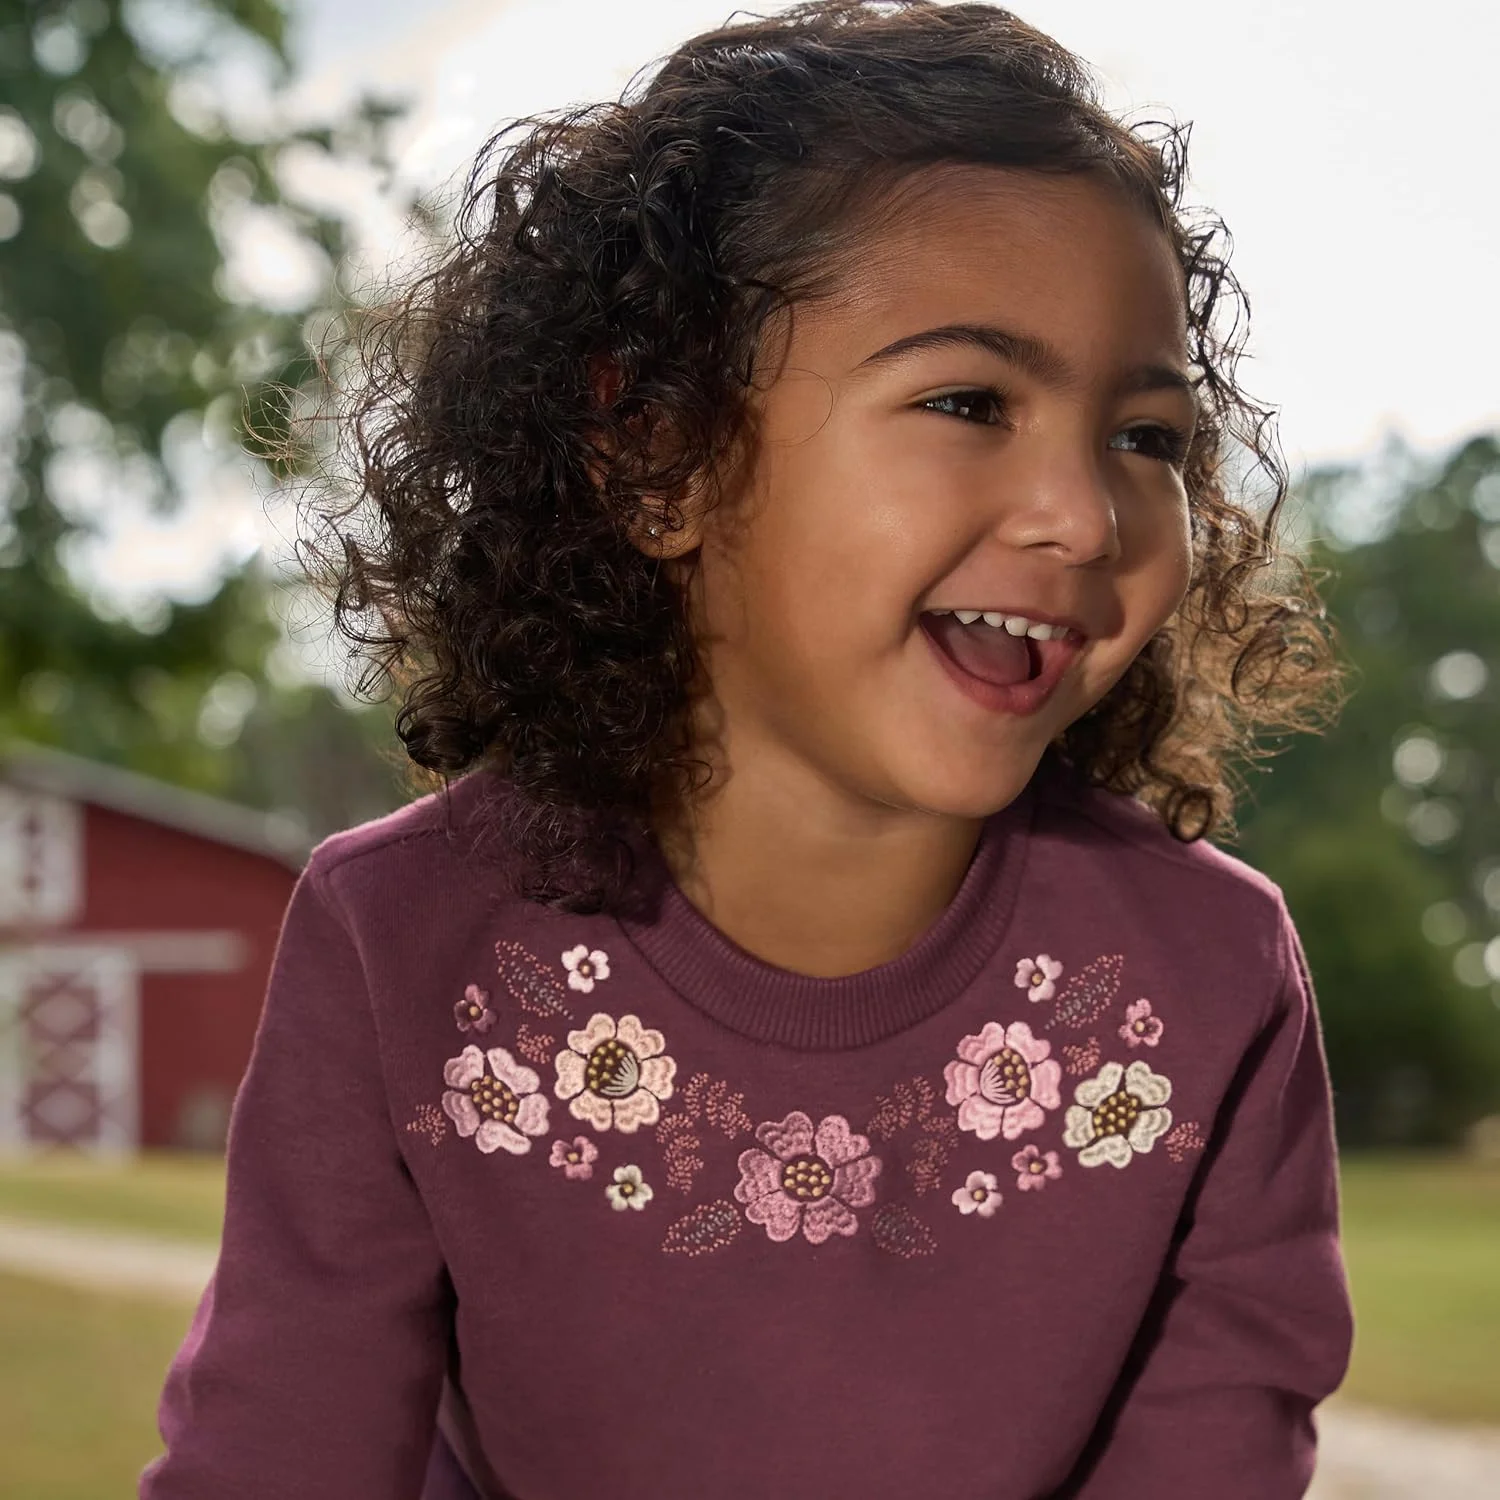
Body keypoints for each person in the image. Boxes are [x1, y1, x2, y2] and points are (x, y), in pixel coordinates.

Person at [139, 2, 1355, 1496]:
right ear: (661, 458)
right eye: (970, 401)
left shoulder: (1215, 977)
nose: (1084, 516)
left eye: (1147, 437)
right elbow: (280, 1454)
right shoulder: (403, 940)